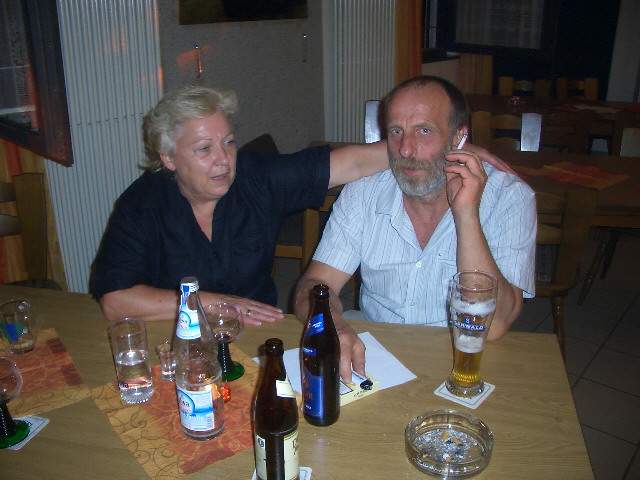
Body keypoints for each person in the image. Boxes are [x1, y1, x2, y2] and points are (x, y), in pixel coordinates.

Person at [294, 75, 536, 381]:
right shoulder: (363, 192)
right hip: (376, 351)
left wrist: (466, 215)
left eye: (424, 130)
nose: (405, 149)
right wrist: (333, 325)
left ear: (458, 138)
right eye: (396, 131)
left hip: (463, 357)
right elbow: (315, 283)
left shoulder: (510, 197)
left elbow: (495, 325)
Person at [90, 84, 392, 324]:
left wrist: (416, 146)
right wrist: (211, 303)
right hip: (179, 335)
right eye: (204, 149)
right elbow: (115, 301)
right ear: (168, 157)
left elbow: (354, 163)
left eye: (229, 142)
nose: (223, 159)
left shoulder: (254, 178)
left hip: (256, 330)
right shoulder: (141, 205)